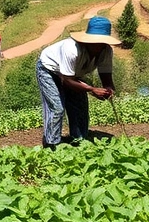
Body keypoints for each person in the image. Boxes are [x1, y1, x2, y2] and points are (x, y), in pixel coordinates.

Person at [36, 16, 119, 149]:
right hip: (49, 70)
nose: (99, 45)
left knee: (79, 107)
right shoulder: (72, 49)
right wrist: (91, 90)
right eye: (96, 41)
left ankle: (79, 141)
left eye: (103, 42)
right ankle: (51, 144)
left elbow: (106, 74)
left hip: (72, 75)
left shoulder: (106, 51)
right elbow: (66, 81)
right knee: (56, 107)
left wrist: (109, 88)